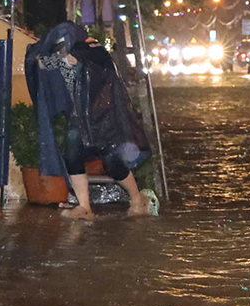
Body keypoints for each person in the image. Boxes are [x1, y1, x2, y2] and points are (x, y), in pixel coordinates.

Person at [26, 22, 154, 220]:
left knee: (112, 163)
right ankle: (85, 207)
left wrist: (77, 62)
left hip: (101, 116)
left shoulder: (93, 49)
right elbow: (42, 63)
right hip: (77, 116)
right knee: (72, 156)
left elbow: (102, 71)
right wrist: (40, 56)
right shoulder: (63, 54)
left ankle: (137, 199)